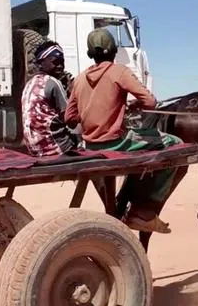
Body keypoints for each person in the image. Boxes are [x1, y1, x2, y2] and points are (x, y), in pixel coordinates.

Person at [64, 28, 182, 233]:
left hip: (91, 145)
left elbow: (69, 119)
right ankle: (146, 211)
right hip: (117, 143)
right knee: (175, 145)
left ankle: (125, 204)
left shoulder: (80, 79)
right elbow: (151, 101)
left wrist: (89, 111)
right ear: (113, 50)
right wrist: (134, 105)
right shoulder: (119, 71)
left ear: (90, 53)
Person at [20, 40, 79, 157]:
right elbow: (70, 121)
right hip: (55, 148)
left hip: (35, 150)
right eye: (55, 62)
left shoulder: (29, 84)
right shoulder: (52, 83)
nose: (60, 66)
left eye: (62, 62)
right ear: (42, 62)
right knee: (81, 139)